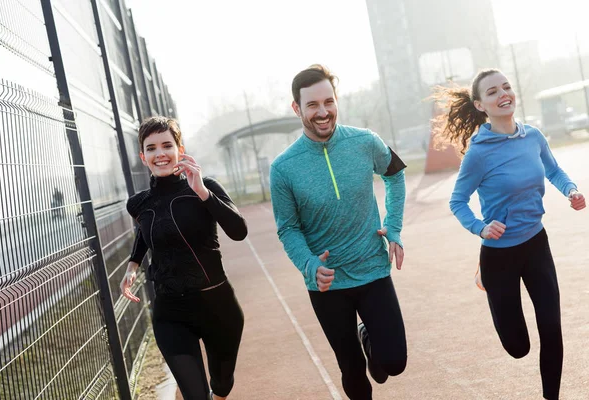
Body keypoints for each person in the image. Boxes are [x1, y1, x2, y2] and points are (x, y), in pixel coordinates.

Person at [435, 68, 586, 400]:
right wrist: (481, 227)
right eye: (492, 92)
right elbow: (458, 201)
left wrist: (571, 189)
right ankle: (484, 277)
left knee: (552, 329)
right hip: (499, 255)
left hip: (536, 245)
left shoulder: (532, 136)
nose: (503, 94)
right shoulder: (478, 152)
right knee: (518, 347)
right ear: (480, 105)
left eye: (506, 87)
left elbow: (553, 170)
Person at [269, 64, 408, 399]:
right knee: (351, 370)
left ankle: (369, 339)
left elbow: (395, 176)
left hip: (372, 269)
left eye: (328, 102)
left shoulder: (365, 141)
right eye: (313, 105)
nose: (323, 112)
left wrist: (393, 227)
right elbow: (287, 228)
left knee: (394, 362)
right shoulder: (283, 168)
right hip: (327, 283)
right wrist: (309, 265)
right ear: (296, 109)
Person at [120, 116, 248, 400]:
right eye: (151, 148)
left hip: (218, 307)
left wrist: (202, 191)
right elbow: (148, 231)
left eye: (167, 145)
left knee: (222, 384)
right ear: (143, 156)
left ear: (180, 149)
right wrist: (133, 264)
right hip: (171, 313)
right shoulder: (138, 203)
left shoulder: (206, 187)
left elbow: (239, 231)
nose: (160, 154)